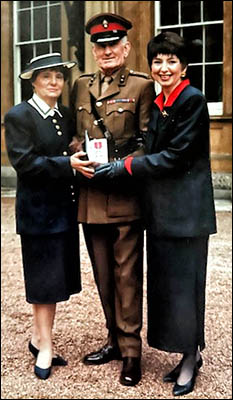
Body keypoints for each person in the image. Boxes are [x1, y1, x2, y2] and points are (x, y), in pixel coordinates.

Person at [94, 31, 217, 396]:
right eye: (157, 62)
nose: (163, 68)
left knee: (185, 287)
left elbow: (175, 157)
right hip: (163, 211)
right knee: (167, 286)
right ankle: (185, 353)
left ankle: (191, 358)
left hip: (186, 212)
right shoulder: (163, 100)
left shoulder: (191, 100)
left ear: (184, 67)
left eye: (171, 61)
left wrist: (126, 167)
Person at [70, 13, 155, 386]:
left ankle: (132, 352)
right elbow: (74, 135)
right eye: (100, 46)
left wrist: (122, 166)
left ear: (126, 47)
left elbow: (148, 141)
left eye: (113, 45)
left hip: (124, 195)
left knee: (127, 276)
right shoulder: (80, 86)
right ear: (93, 50)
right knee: (104, 276)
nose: (106, 51)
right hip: (90, 194)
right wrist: (79, 153)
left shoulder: (141, 86)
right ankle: (114, 340)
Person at [4, 53, 95, 380]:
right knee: (42, 282)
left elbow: (65, 146)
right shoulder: (19, 115)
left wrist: (72, 149)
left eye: (59, 76)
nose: (54, 82)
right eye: (46, 77)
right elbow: (25, 163)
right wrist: (65, 164)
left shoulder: (64, 114)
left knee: (54, 282)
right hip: (38, 212)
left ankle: (38, 337)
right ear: (32, 81)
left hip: (62, 209)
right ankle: (44, 345)